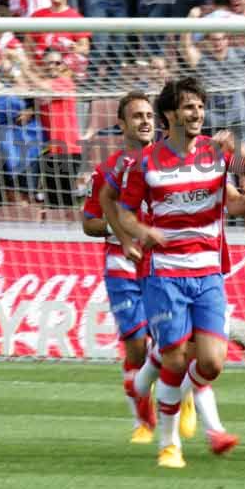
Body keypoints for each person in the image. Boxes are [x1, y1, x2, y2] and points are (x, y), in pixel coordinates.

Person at [116, 77, 245, 468]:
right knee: (174, 360)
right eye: (189, 107)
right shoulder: (146, 162)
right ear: (170, 114)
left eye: (201, 108)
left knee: (211, 363)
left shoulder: (215, 153)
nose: (197, 114)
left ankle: (144, 381)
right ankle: (169, 445)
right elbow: (123, 212)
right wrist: (142, 230)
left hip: (208, 275)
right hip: (165, 274)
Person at [81, 91, 158, 444]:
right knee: (138, 347)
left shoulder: (170, 164)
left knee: (177, 345)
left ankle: (184, 395)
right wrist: (121, 228)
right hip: (122, 265)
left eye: (149, 115)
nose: (145, 121)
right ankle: (142, 423)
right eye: (137, 116)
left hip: (165, 265)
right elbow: (89, 223)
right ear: (122, 124)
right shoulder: (108, 171)